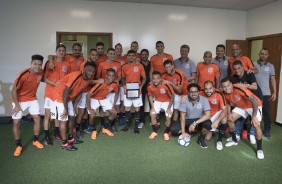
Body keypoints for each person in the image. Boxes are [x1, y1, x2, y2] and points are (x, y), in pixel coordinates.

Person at [52, 62, 96, 151]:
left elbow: (80, 92)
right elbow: (66, 92)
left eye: (93, 71)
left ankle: (70, 138)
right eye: (89, 70)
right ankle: (64, 144)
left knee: (72, 117)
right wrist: (65, 109)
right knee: (64, 119)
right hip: (59, 96)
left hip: (67, 98)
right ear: (84, 69)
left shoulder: (87, 79)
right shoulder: (76, 76)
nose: (91, 73)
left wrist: (74, 106)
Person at [221, 78, 264, 159]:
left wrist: (254, 116)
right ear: (222, 87)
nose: (227, 88)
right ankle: (234, 140)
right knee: (230, 119)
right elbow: (227, 103)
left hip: (254, 105)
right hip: (242, 106)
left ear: (231, 84)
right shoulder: (224, 92)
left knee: (256, 125)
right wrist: (229, 113)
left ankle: (259, 149)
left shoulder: (239, 89)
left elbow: (254, 102)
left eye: (228, 85)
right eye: (224, 86)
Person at [11, 54, 45, 157]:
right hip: (19, 99)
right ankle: (18, 145)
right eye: (35, 64)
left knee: (37, 118)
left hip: (32, 98)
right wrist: (17, 105)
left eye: (40, 64)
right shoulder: (23, 74)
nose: (37, 66)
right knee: (16, 122)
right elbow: (14, 90)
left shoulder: (41, 73)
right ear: (31, 64)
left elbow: (43, 79)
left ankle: (35, 140)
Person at [229, 60, 263, 144]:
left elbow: (254, 87)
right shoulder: (233, 77)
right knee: (240, 118)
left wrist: (244, 86)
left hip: (256, 98)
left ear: (242, 67)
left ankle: (252, 135)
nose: (237, 70)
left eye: (239, 68)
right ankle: (236, 135)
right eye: (235, 69)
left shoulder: (249, 73)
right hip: (244, 101)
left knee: (254, 120)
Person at [43, 44, 71, 146]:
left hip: (60, 94)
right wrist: (53, 84)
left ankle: (56, 133)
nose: (61, 52)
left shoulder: (67, 65)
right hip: (49, 93)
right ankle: (46, 137)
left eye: (63, 50)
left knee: (58, 115)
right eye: (59, 50)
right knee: (48, 115)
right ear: (56, 52)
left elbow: (67, 79)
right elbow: (44, 78)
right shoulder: (50, 63)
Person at [176, 83, 212, 148]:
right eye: (191, 92)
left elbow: (207, 115)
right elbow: (182, 117)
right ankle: (191, 130)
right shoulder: (184, 99)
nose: (194, 94)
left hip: (199, 120)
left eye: (195, 91)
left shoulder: (204, 99)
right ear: (188, 93)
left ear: (198, 92)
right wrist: (183, 132)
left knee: (208, 123)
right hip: (188, 120)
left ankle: (199, 135)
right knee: (174, 129)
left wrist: (195, 123)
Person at [86, 68, 119, 139]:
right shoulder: (100, 83)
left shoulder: (114, 84)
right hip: (94, 98)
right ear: (106, 76)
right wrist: (89, 109)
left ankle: (105, 128)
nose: (111, 77)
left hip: (103, 98)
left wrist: (114, 104)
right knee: (92, 115)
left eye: (113, 76)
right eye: (109, 75)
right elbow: (88, 95)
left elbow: (117, 93)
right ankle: (94, 130)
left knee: (114, 112)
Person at [121, 50, 146, 133]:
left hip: (137, 89)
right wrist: (124, 85)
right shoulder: (124, 66)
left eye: (133, 55)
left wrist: (141, 86)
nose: (131, 57)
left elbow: (144, 78)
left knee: (137, 108)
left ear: (135, 56)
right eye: (129, 55)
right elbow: (122, 78)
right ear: (127, 57)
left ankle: (136, 126)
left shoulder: (140, 66)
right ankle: (127, 125)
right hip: (127, 89)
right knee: (127, 108)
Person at [76, 49, 99, 138]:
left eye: (96, 55)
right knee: (81, 112)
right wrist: (98, 81)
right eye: (93, 55)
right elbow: (84, 79)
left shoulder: (94, 65)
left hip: (89, 92)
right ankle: (77, 129)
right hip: (82, 91)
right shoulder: (84, 64)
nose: (94, 56)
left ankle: (84, 127)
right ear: (89, 55)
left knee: (86, 111)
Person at [97, 48, 121, 132]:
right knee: (102, 108)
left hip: (114, 89)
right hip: (104, 90)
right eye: (110, 53)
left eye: (113, 54)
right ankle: (102, 124)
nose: (112, 55)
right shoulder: (101, 64)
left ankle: (112, 125)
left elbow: (119, 76)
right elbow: (98, 76)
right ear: (107, 54)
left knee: (115, 106)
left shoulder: (118, 64)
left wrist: (116, 81)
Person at [254, 48, 277, 138]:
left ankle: (267, 130)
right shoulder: (253, 64)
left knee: (266, 112)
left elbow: (272, 79)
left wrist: (274, 92)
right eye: (262, 53)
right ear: (259, 54)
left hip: (266, 93)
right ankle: (251, 129)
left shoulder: (271, 66)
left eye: (265, 54)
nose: (263, 55)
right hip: (254, 93)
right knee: (253, 111)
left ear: (268, 55)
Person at [200, 81, 227, 150]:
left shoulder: (219, 94)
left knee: (224, 120)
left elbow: (225, 110)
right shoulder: (201, 92)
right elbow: (192, 93)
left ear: (214, 88)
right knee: (207, 138)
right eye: (206, 89)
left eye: (210, 88)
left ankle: (219, 140)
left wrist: (217, 121)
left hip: (217, 114)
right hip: (207, 115)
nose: (208, 91)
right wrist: (185, 97)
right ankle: (214, 129)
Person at [162, 60, 187, 133]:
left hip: (184, 93)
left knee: (183, 111)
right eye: (166, 67)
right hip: (174, 93)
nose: (168, 69)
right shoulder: (164, 75)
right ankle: (173, 126)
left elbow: (179, 90)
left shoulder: (179, 73)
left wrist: (170, 83)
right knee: (175, 110)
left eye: (169, 66)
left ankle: (185, 127)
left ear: (173, 66)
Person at [147, 71, 174, 140]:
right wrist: (152, 107)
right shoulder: (150, 86)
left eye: (157, 78)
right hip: (158, 100)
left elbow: (172, 96)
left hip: (167, 101)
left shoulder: (166, 85)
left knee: (168, 116)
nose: (155, 80)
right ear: (152, 79)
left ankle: (166, 133)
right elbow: (150, 96)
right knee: (152, 114)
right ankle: (154, 132)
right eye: (154, 78)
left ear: (161, 79)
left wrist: (168, 108)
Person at [138, 49, 151, 129]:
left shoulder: (151, 63)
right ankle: (141, 121)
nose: (144, 56)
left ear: (148, 55)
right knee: (141, 103)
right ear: (140, 55)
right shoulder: (138, 64)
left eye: (146, 54)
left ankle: (152, 118)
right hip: (141, 86)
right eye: (143, 54)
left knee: (151, 102)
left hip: (150, 85)